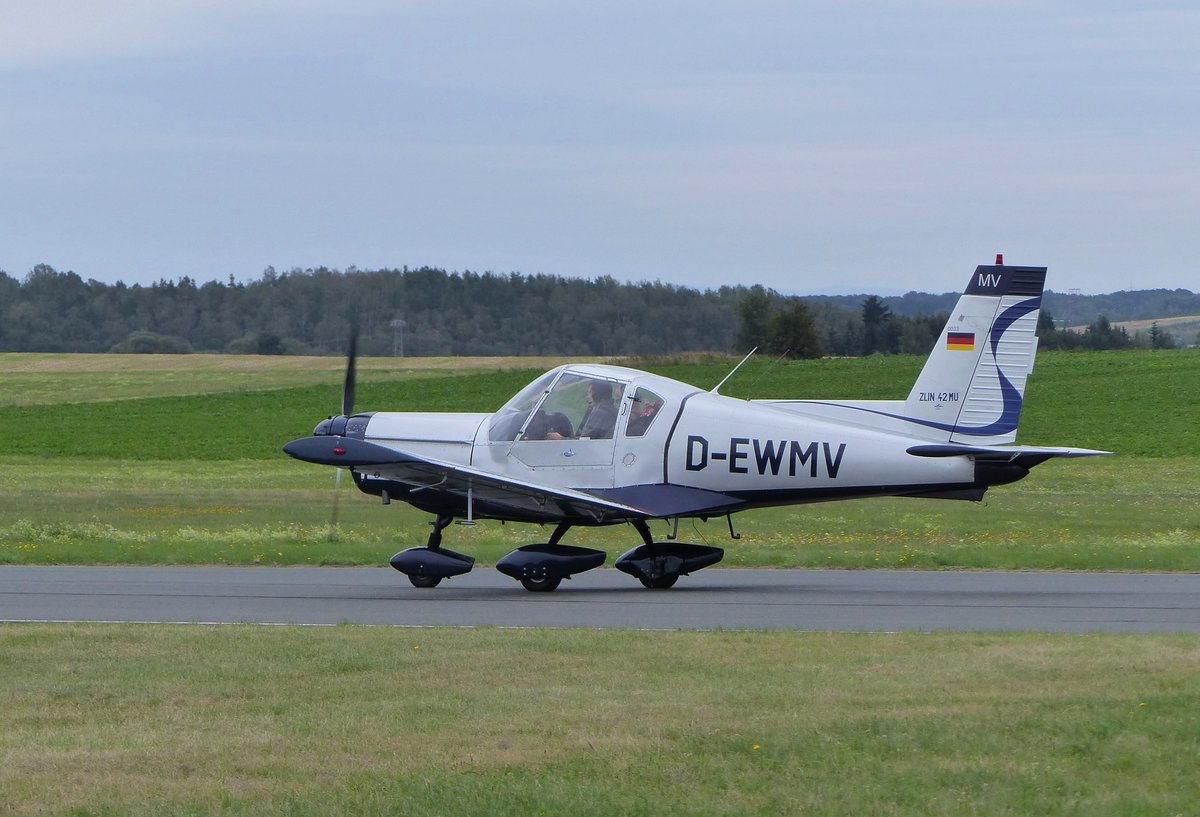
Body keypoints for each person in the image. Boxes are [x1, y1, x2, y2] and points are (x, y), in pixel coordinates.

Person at [546, 380, 617, 440]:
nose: (588, 396)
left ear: (597, 394)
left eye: (589, 392)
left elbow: (584, 442)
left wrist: (560, 438)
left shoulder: (599, 414)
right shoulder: (613, 411)